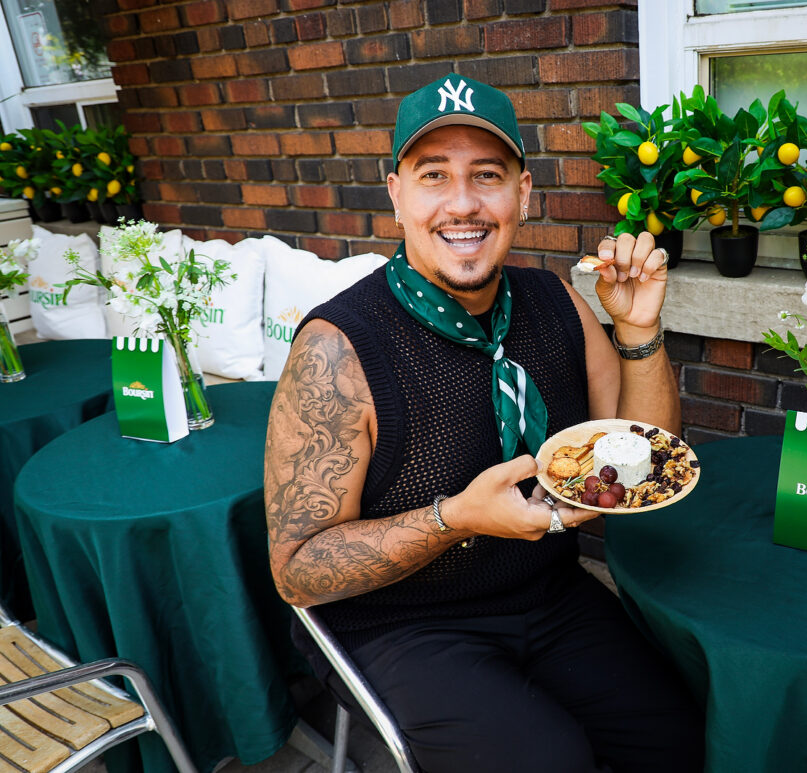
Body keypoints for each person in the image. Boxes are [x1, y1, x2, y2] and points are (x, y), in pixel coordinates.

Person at [264, 73, 703, 773]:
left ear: (522, 194)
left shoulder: (555, 301)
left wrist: (639, 329)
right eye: (434, 175)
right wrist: (456, 519)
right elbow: (297, 572)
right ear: (397, 195)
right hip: (400, 622)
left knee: (674, 736)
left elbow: (643, 458)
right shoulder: (337, 348)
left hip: (546, 592)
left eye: (487, 175)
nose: (464, 203)